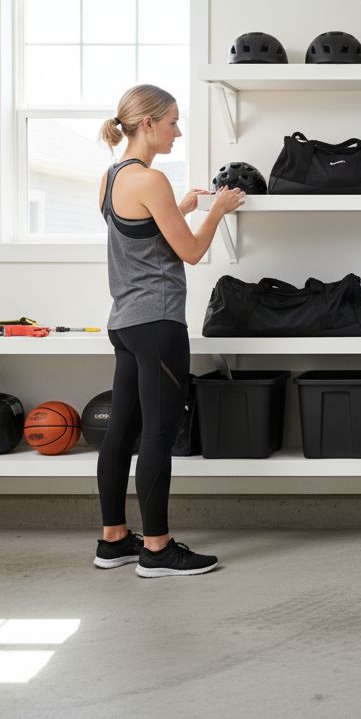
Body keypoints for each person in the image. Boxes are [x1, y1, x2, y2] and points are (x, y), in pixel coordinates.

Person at [92, 84, 245, 578]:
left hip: (125, 323)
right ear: (148, 125)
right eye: (174, 122)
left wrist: (182, 207)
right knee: (158, 432)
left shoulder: (112, 177)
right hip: (158, 323)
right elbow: (191, 253)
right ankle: (157, 549)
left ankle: (113, 539)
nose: (179, 131)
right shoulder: (151, 180)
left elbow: (142, 236)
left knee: (122, 432)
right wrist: (217, 210)